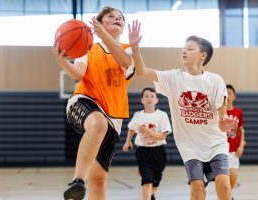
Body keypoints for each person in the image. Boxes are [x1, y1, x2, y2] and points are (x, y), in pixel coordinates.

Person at [128, 20, 238, 200]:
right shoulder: (173, 78)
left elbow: (222, 113)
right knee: (197, 188)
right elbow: (141, 71)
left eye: (190, 48)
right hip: (190, 147)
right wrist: (135, 47)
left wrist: (224, 122)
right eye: (184, 47)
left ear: (203, 55)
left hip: (215, 143)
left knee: (224, 187)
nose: (184, 51)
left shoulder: (215, 80)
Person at [52, 7, 135, 200]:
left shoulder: (128, 49)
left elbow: (124, 62)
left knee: (98, 181)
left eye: (120, 17)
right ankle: (77, 181)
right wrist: (62, 61)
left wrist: (105, 36)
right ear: (100, 22)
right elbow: (78, 74)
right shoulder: (88, 48)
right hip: (83, 101)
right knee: (98, 123)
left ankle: (81, 187)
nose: (117, 19)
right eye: (111, 16)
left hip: (114, 116)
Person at [122, 87, 172, 200]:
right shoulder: (138, 115)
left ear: (156, 100)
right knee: (147, 181)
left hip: (158, 152)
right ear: (142, 100)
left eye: (152, 96)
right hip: (143, 151)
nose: (149, 98)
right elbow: (132, 129)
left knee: (155, 181)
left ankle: (151, 194)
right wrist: (128, 141)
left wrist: (149, 132)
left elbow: (162, 136)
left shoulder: (162, 115)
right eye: (146, 96)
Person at [226, 84, 245, 197]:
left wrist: (241, 145)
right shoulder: (218, 113)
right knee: (223, 181)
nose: (227, 96)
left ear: (234, 97)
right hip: (220, 151)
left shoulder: (238, 112)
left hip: (233, 151)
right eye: (225, 93)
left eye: (229, 93)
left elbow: (241, 130)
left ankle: (229, 195)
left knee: (233, 177)